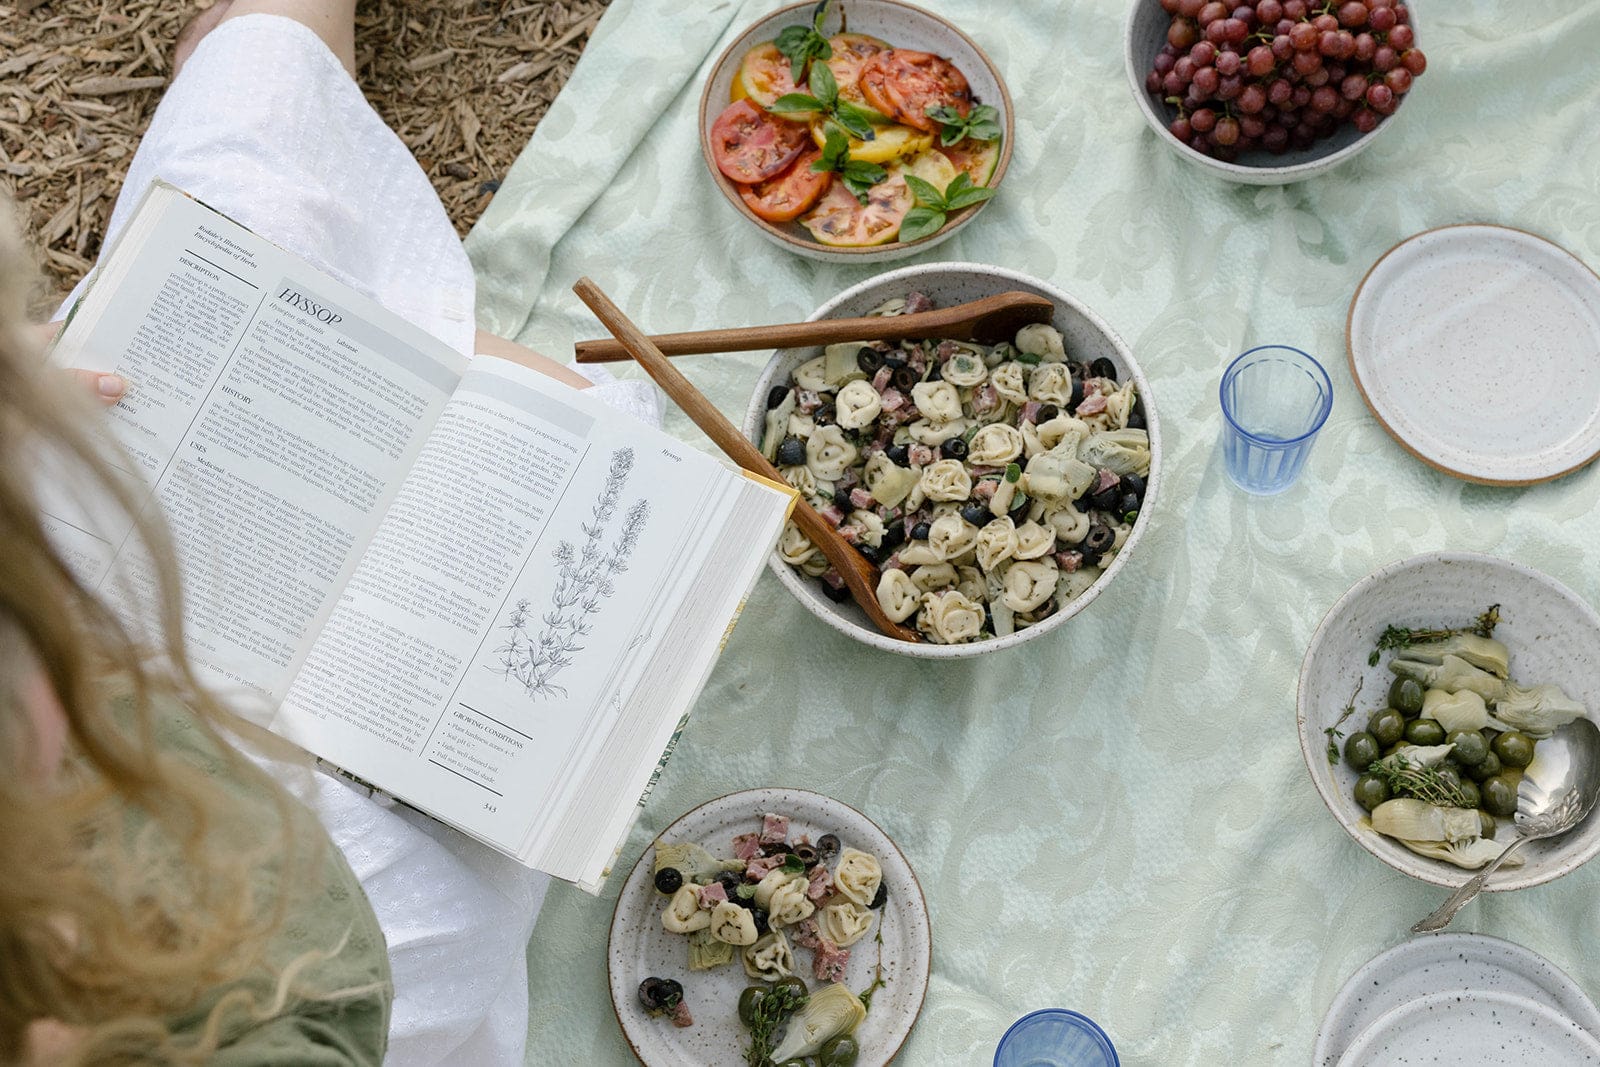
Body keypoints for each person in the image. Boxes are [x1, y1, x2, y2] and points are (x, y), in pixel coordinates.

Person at [25, 1, 658, 1062]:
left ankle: (261, 35)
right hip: (308, 866)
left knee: (245, 226)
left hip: (109, 650)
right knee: (602, 475)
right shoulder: (284, 1001)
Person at [1, 211, 390, 1062]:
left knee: (251, 207)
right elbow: (329, 1010)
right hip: (289, 914)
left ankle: (266, 70)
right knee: (470, 906)